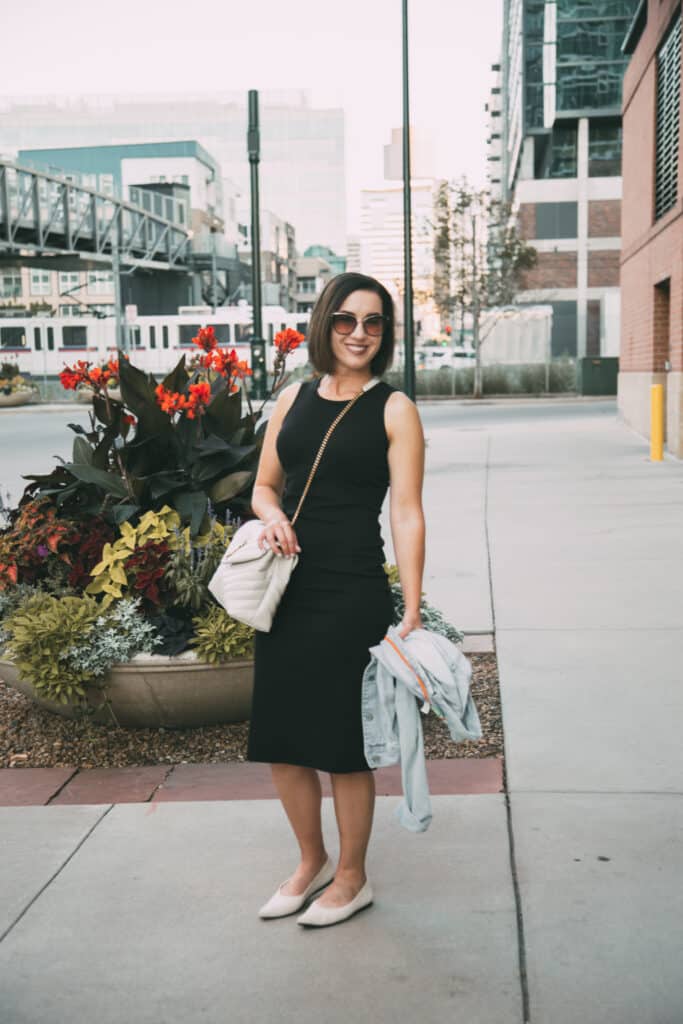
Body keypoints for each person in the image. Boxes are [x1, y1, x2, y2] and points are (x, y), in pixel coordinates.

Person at [246, 271, 426, 927]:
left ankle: (352, 876)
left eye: (373, 322)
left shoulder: (394, 407)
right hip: (287, 588)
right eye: (346, 319)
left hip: (350, 588)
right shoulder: (292, 399)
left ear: (385, 333)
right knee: (283, 736)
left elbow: (406, 513)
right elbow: (264, 485)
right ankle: (309, 861)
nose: (359, 333)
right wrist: (271, 516)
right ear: (325, 323)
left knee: (343, 743)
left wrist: (409, 608)